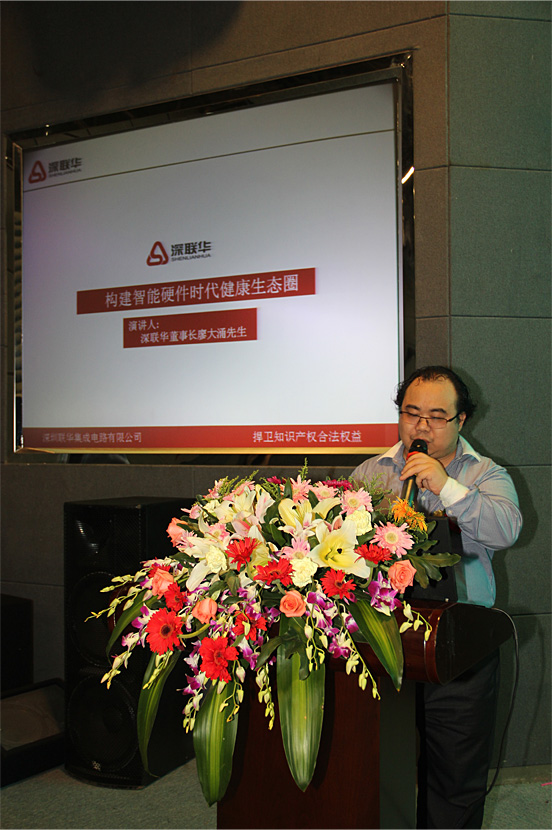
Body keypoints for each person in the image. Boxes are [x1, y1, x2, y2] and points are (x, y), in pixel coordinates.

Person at [351, 366, 522, 829]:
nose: (421, 427)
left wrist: (446, 486)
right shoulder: (370, 473)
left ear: (461, 420)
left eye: (437, 417)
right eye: (411, 414)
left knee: (453, 781)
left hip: (458, 650)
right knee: (376, 775)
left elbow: (505, 530)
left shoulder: (486, 474)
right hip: (382, 645)